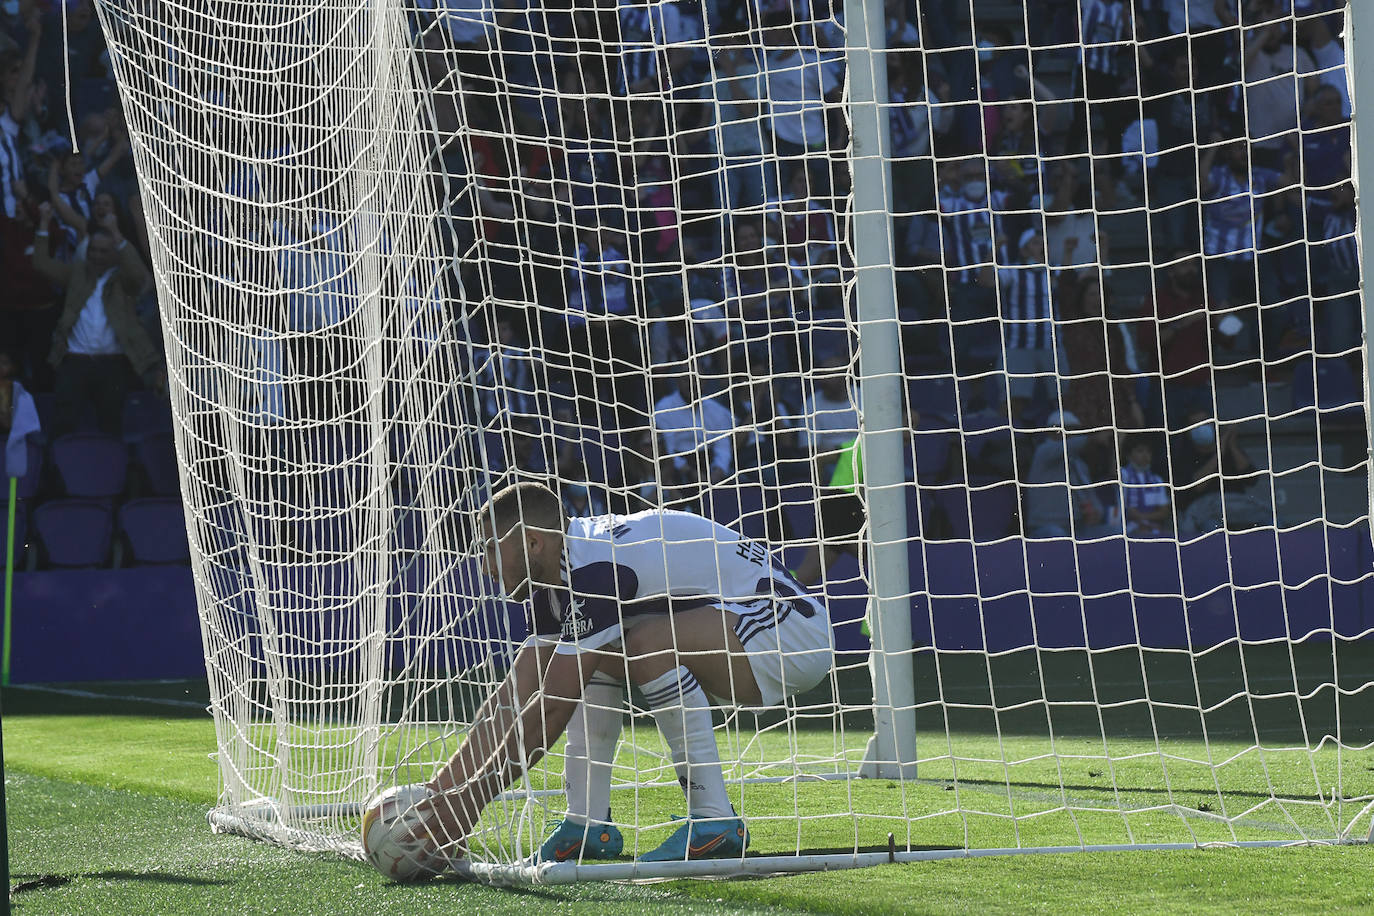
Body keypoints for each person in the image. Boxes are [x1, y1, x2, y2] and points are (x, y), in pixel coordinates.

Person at [398, 482, 833, 867]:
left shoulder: (591, 571)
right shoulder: (559, 573)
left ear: (531, 543)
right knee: (596, 653)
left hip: (789, 632)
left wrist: (469, 804)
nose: (486, 566)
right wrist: (438, 796)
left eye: (490, 548)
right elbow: (513, 696)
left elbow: (549, 710)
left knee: (644, 641)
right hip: (742, 628)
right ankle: (586, 824)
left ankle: (713, 821)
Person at [33, 201, 162, 438]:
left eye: (104, 251)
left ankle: (112, 471)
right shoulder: (77, 275)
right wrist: (43, 222)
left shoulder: (125, 281)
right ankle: (61, 471)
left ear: (115, 253)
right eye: (93, 250)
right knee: (64, 424)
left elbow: (136, 273)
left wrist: (116, 234)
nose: (97, 256)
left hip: (112, 364)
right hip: (75, 361)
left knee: (111, 425)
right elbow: (41, 264)